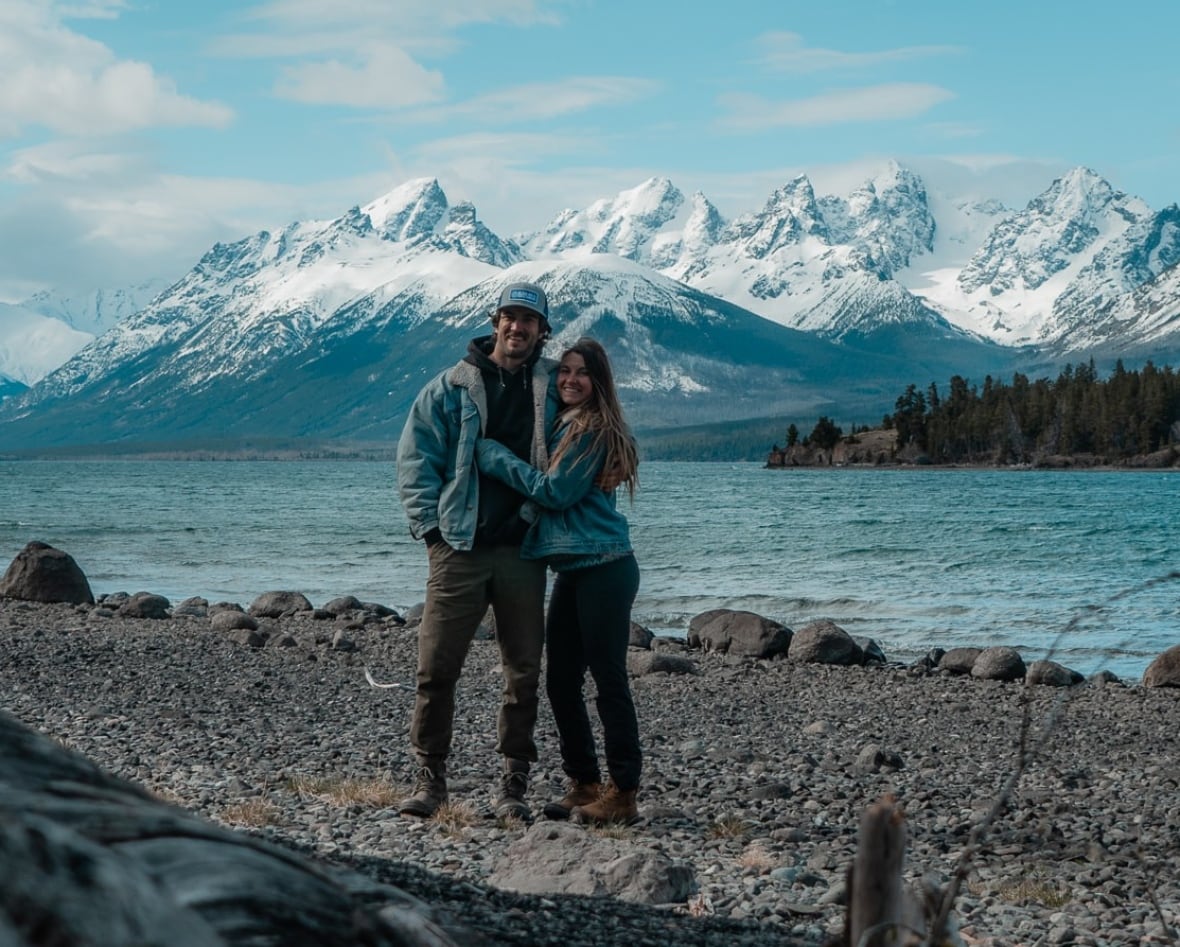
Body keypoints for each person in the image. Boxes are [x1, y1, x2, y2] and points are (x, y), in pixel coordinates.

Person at [395, 281, 559, 821]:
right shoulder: (450, 387)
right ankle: (430, 780)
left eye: (528, 320)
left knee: (524, 672)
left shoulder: (553, 388)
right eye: (509, 317)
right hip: (458, 548)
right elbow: (417, 459)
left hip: (524, 550)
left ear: (541, 330)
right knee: (436, 668)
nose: (518, 327)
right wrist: (431, 532)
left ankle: (513, 784)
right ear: (495, 323)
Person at [474, 337, 643, 825]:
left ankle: (624, 793)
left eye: (581, 373)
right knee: (561, 682)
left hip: (606, 567)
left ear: (599, 382)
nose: (570, 379)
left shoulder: (592, 429)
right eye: (564, 370)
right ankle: (584, 782)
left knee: (609, 680)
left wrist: (492, 456)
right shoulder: (562, 422)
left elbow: (556, 491)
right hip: (574, 568)